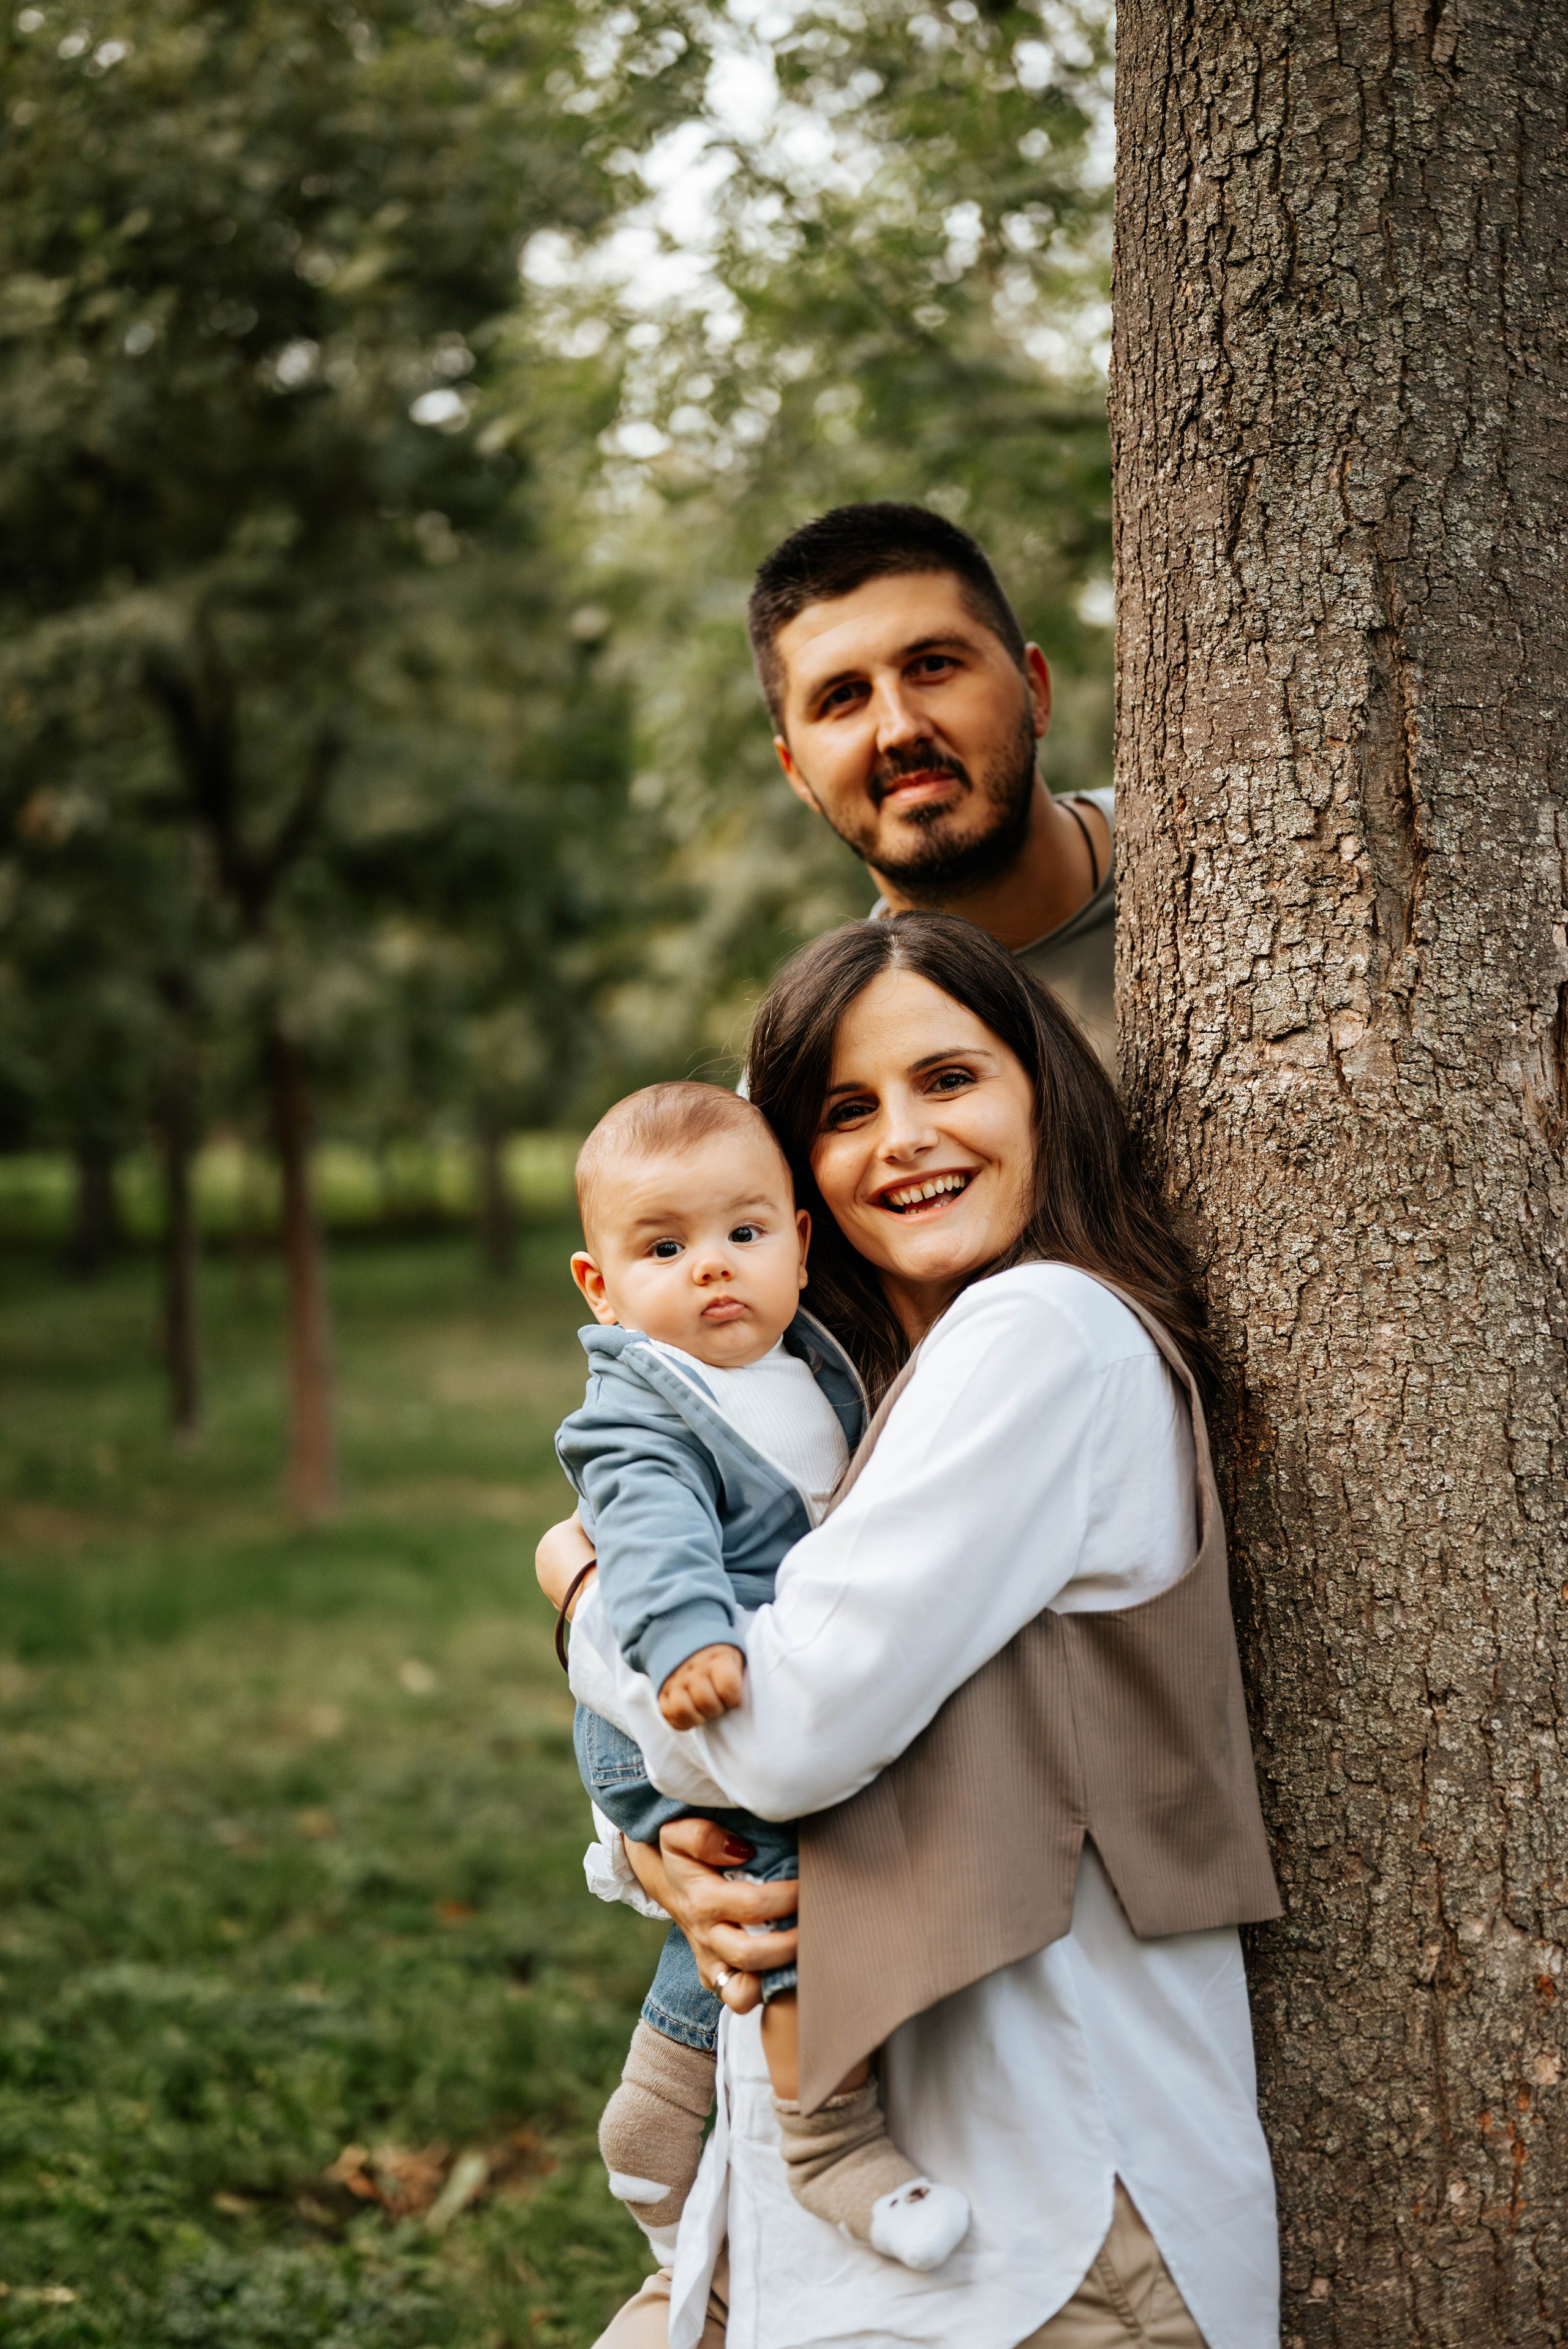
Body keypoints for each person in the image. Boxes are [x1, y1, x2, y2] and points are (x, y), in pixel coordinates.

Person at [546, 913, 1282, 2349]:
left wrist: (577, 1589)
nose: (901, 1136)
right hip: (834, 2227)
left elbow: (782, 1727)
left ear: (1038, 1094)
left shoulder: (1040, 1335)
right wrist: (646, 1851)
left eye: (947, 1078)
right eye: (844, 1107)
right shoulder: (854, 1392)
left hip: (1046, 2218)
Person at [556, 1081, 969, 2272]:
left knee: (728, 1910)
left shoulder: (810, 1358)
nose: (712, 1270)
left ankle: (647, 2116)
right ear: (601, 1288)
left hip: (711, 1683)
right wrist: (690, 1640)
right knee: (789, 1875)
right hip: (665, 1695)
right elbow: (647, 1530)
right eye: (664, 1247)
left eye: (742, 1235)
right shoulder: (641, 1404)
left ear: (798, 1234)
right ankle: (827, 2133)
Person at [748, 502, 1116, 1066]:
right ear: (796, 772)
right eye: (843, 697)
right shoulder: (805, 1076)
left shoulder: (1249, 865)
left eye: (933, 665)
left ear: (1034, 691)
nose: (899, 729)